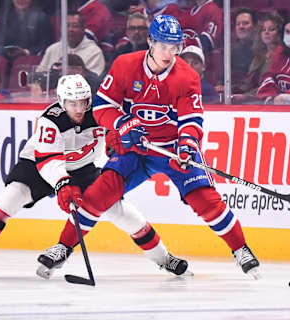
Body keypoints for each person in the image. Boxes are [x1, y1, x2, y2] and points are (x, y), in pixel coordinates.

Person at [38, 15, 261, 279]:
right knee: (98, 195)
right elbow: (101, 107)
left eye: (174, 47)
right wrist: (123, 124)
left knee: (205, 200)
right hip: (135, 149)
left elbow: (192, 120)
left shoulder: (187, 77)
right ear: (150, 42)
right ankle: (63, 248)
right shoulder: (125, 65)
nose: (169, 53)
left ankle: (241, 249)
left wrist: (187, 147)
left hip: (172, 148)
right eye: (164, 46)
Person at [0, 74, 189, 279]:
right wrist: (63, 185)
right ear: (61, 101)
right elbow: (49, 161)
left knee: (118, 210)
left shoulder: (99, 111)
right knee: (10, 197)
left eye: (83, 102)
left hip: (83, 167)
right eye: (72, 103)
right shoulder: (51, 119)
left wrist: (118, 138)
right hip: (37, 165)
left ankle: (164, 258)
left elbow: (119, 130)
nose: (79, 109)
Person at [38, 11, 105, 77]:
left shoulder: (95, 52)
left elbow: (96, 82)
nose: (70, 29)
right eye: (67, 25)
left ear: (83, 29)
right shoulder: (53, 49)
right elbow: (39, 75)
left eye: (75, 26)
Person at [215, 7, 257, 95]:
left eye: (245, 23)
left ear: (255, 26)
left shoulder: (265, 51)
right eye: (238, 24)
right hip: (233, 95)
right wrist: (219, 86)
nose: (241, 26)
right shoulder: (231, 50)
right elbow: (222, 80)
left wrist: (245, 95)